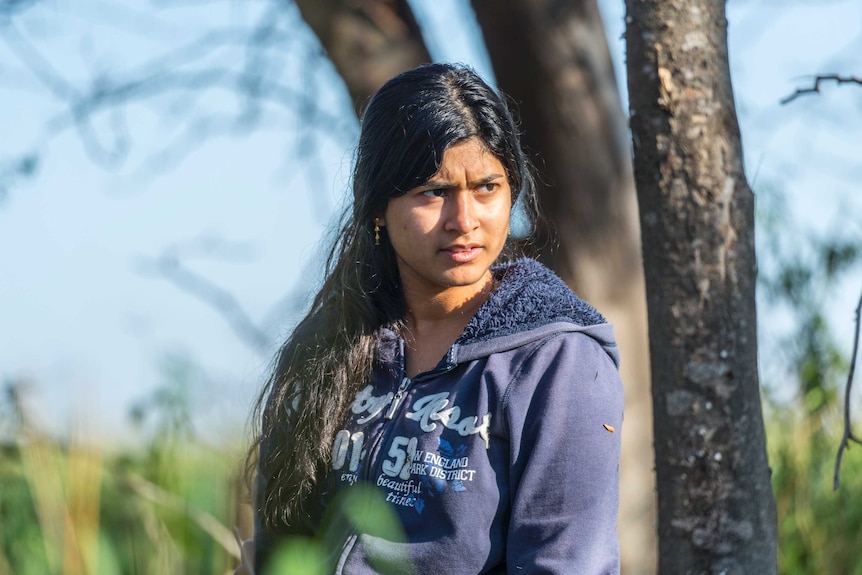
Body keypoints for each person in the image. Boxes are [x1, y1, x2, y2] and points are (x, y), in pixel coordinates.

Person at [241, 62, 624, 575]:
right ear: (378, 206)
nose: (464, 221)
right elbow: (277, 551)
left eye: (487, 187)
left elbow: (564, 564)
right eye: (433, 192)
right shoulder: (327, 348)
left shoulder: (558, 366)